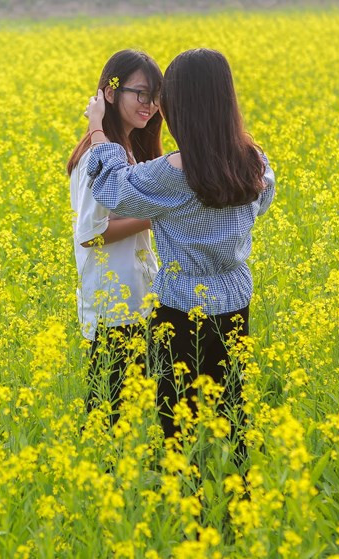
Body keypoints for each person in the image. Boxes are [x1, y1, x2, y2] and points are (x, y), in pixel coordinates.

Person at [84, 48, 276, 458]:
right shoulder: (253, 162)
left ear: (180, 107)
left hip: (179, 313)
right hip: (235, 305)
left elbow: (111, 188)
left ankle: (189, 508)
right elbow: (263, 199)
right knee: (232, 416)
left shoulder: (173, 172)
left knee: (178, 429)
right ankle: (235, 503)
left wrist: (98, 130)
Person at [69, 50, 161, 426]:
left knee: (136, 419)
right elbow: (90, 235)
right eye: (141, 93)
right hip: (112, 306)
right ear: (110, 92)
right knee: (109, 421)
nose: (150, 105)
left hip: (138, 299)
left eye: (156, 96)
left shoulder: (127, 151)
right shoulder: (96, 156)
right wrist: (156, 216)